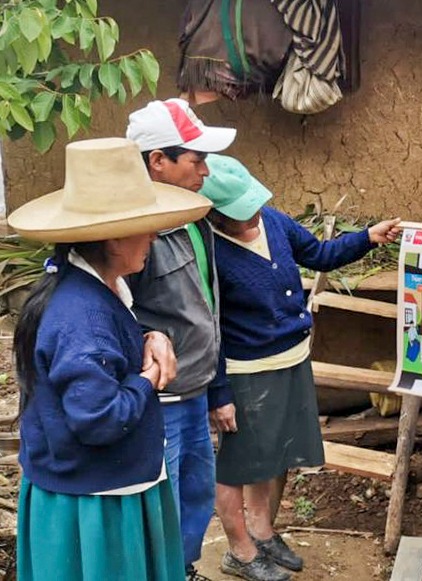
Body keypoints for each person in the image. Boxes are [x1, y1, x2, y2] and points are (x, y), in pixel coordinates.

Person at [8, 138, 213, 580]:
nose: (155, 236)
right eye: (147, 225)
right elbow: (100, 418)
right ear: (115, 236)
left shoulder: (88, 290)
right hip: (95, 504)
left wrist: (149, 335)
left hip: (94, 485)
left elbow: (102, 349)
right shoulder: (82, 315)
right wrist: (149, 379)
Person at [197, 155, 400, 581]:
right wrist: (218, 392)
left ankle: (262, 530)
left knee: (274, 451)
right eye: (240, 212)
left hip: (291, 357)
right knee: (236, 463)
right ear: (214, 214)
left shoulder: (274, 221)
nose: (252, 216)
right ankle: (239, 549)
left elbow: (320, 255)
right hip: (245, 370)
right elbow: (208, 328)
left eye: (254, 204)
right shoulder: (208, 248)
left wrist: (368, 237)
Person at [126, 98, 238, 581]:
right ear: (158, 162)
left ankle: (184, 569)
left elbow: (205, 310)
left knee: (195, 492)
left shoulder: (193, 221)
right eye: (196, 160)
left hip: (194, 390)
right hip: (162, 399)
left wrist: (217, 387)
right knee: (162, 504)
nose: (206, 171)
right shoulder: (133, 234)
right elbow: (115, 313)